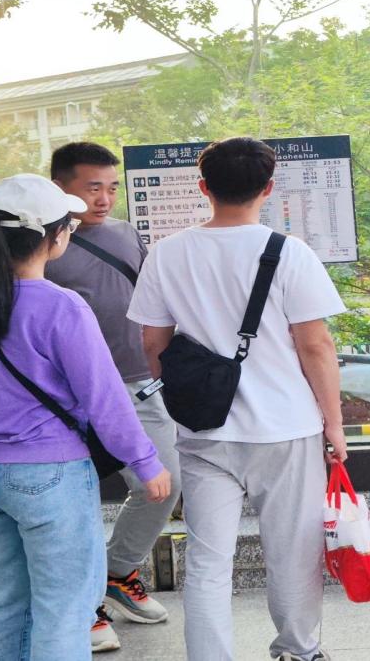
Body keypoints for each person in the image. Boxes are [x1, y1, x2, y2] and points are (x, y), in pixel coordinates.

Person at [127, 136, 347, 661]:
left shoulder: (167, 252)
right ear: (268, 189)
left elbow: (153, 342)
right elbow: (315, 345)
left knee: (208, 560)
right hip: (286, 427)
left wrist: (186, 397)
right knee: (293, 553)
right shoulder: (290, 252)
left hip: (204, 431)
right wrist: (334, 425)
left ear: (203, 187)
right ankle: (297, 651)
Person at [0, 174, 171, 661]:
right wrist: (145, 462)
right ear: (55, 236)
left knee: (4, 600)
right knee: (65, 607)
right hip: (47, 474)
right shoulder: (62, 305)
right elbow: (104, 397)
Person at [47, 142, 181, 652]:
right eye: (91, 188)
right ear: (60, 188)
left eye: (110, 187)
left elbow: (153, 300)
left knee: (164, 483)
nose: (103, 198)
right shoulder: (45, 246)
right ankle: (83, 606)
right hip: (71, 396)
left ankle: (116, 572)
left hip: (140, 384)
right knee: (71, 501)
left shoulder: (125, 233)